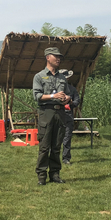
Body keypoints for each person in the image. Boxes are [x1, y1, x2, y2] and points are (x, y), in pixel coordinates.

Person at [32, 48, 70, 185]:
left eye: (60, 57)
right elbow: (37, 96)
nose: (58, 59)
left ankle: (55, 174)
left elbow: (68, 94)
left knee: (56, 146)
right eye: (56, 56)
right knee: (44, 146)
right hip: (46, 112)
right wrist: (54, 96)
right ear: (48, 57)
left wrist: (67, 98)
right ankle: (41, 176)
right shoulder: (39, 76)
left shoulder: (62, 77)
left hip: (60, 113)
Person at [59, 69, 80, 165]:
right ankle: (53, 158)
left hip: (68, 116)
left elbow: (77, 102)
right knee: (56, 138)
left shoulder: (72, 89)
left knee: (67, 138)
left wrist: (70, 101)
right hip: (57, 116)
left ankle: (66, 158)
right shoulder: (54, 89)